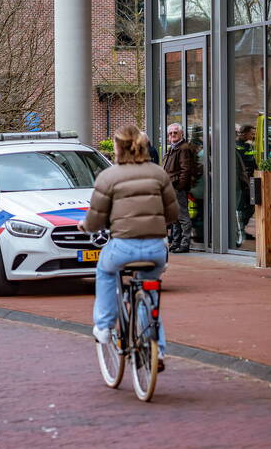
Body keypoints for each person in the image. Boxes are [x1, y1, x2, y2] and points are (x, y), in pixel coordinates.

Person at [78, 125, 179, 368]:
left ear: (117, 147)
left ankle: (103, 326)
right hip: (156, 249)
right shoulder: (158, 173)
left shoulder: (109, 176)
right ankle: (158, 351)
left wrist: (87, 226)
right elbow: (173, 213)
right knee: (150, 294)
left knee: (104, 270)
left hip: (122, 247)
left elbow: (96, 218)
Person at [161, 123, 195, 253]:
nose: (172, 135)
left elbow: (185, 170)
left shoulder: (183, 148)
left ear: (181, 134)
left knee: (183, 216)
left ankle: (185, 244)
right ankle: (175, 243)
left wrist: (180, 186)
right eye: (170, 133)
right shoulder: (173, 148)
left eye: (175, 132)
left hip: (176, 188)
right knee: (175, 217)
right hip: (170, 187)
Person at [235, 123, 258, 241]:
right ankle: (239, 231)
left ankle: (242, 228)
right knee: (241, 206)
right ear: (245, 133)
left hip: (249, 179)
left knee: (251, 205)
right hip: (240, 180)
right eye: (251, 133)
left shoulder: (249, 146)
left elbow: (253, 161)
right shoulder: (236, 146)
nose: (253, 135)